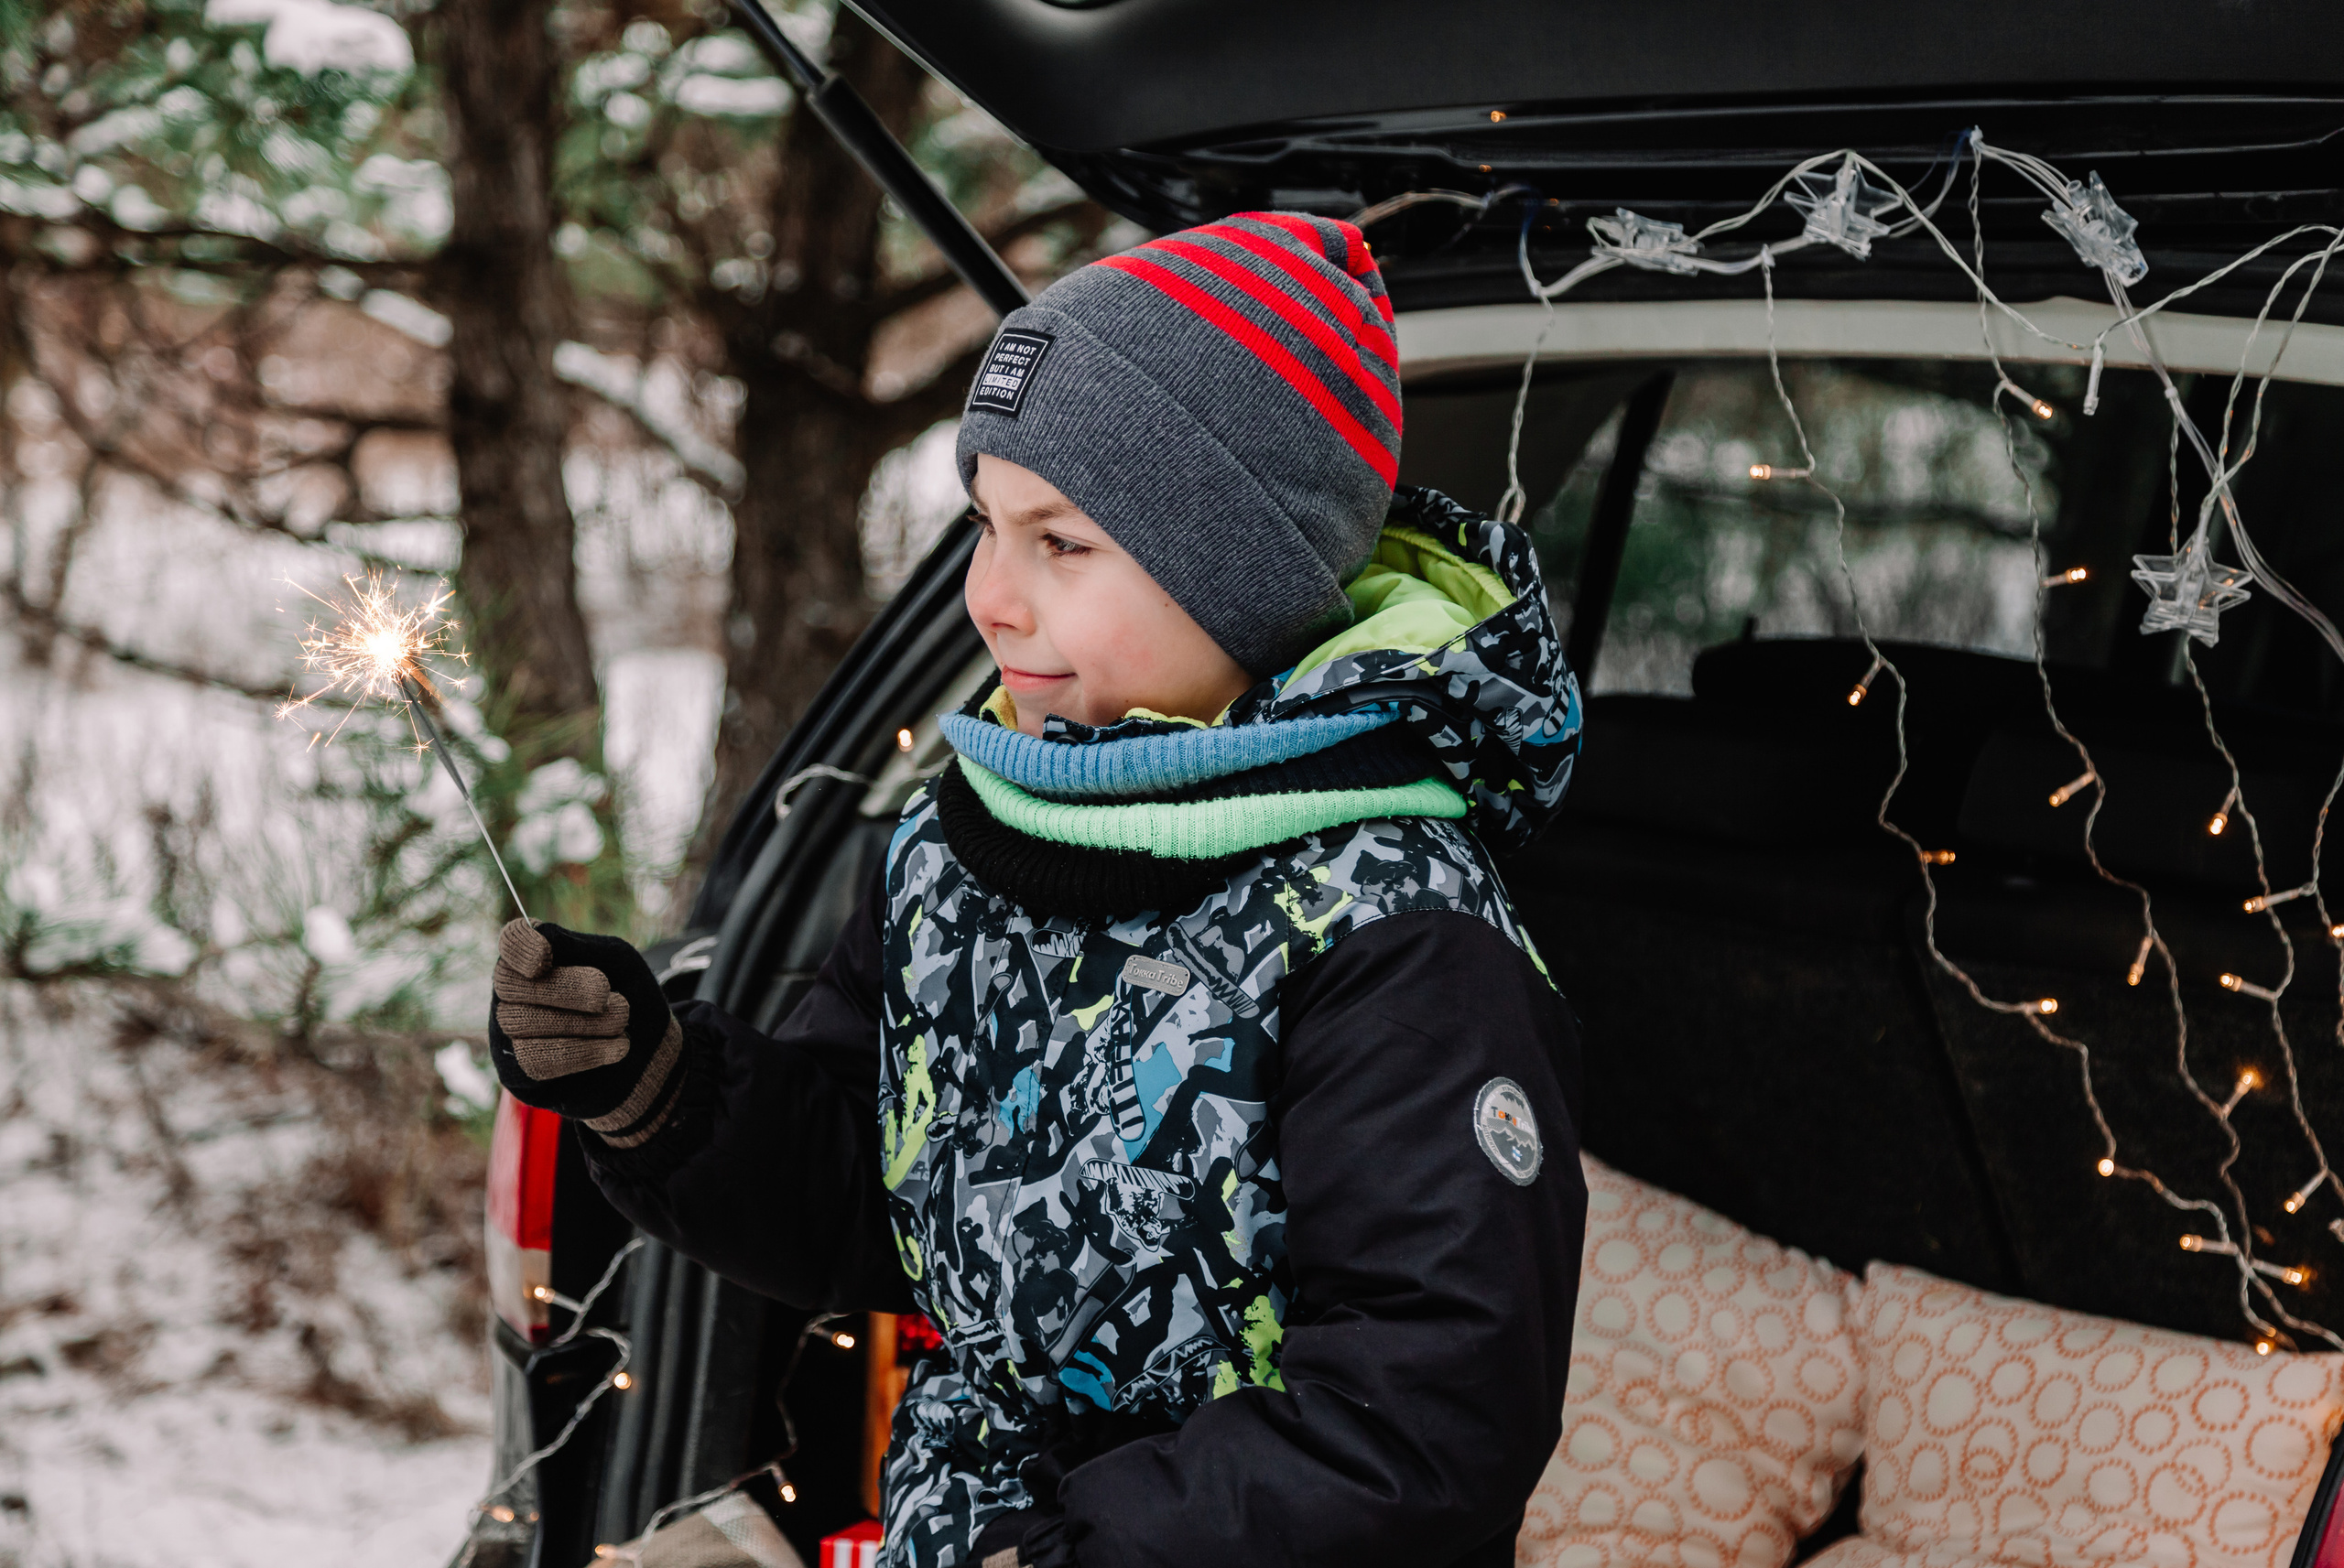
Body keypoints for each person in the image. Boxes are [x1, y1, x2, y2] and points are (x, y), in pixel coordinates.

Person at [485, 212, 1588, 1568]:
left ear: (1235, 571)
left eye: (1059, 542)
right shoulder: (968, 847)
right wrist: (656, 1088)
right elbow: (874, 1199)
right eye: (983, 526)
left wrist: (1071, 1546)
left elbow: (1422, 1421)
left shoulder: (1397, 933)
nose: (988, 598)